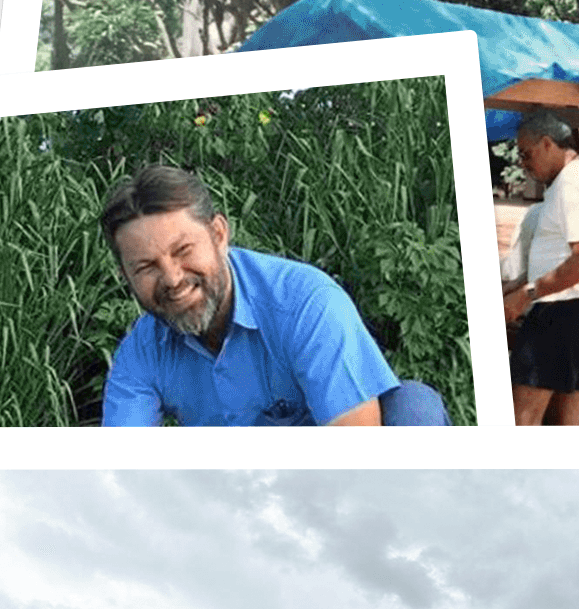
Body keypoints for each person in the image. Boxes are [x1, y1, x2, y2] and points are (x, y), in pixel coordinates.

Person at [98, 164, 448, 426]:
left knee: (415, 408)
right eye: (146, 267)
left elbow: (356, 450)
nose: (172, 279)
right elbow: (125, 468)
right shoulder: (141, 352)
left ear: (219, 234)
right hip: (235, 498)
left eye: (183, 250)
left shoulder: (307, 304)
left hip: (328, 486)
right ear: (124, 275)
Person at [501, 112, 579, 426]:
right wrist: (515, 288)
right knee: (566, 418)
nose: (523, 162)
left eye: (527, 153)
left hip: (562, 312)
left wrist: (527, 294)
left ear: (549, 144)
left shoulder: (573, 184)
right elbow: (559, 257)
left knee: (521, 418)